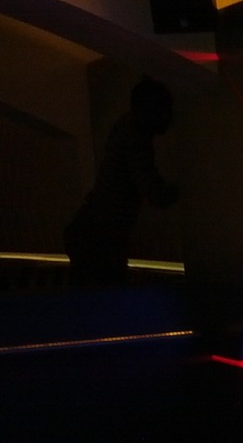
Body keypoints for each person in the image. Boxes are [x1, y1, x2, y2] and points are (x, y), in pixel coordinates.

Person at [64, 77, 180, 286]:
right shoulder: (136, 138)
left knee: (96, 299)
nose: (169, 118)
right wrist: (192, 185)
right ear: (151, 111)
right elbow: (156, 193)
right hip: (99, 237)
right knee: (105, 296)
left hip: (90, 230)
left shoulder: (127, 126)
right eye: (165, 110)